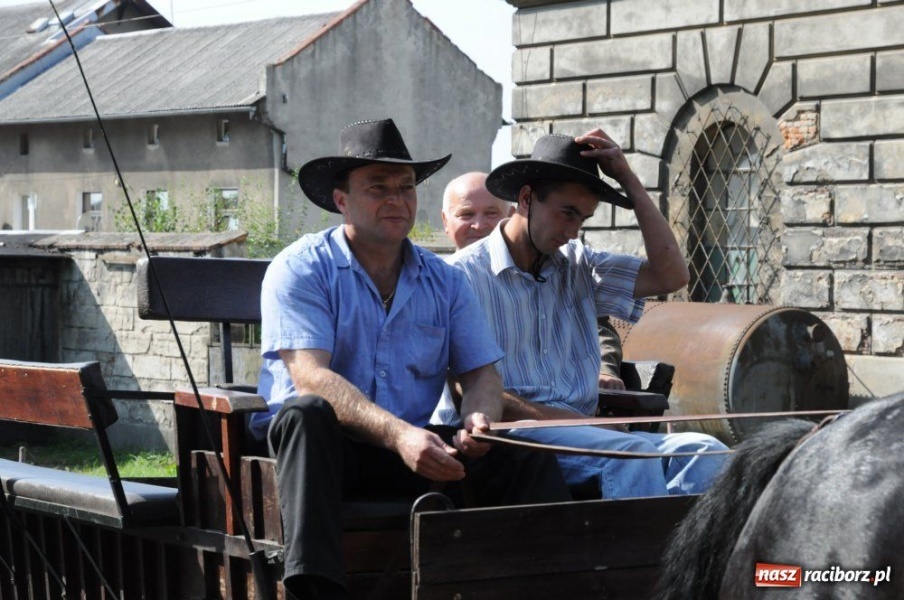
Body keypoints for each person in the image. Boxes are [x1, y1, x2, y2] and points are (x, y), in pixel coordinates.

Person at [250, 119, 570, 600]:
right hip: (319, 455)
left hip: (411, 450)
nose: (397, 199)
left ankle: (544, 580)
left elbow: (482, 372)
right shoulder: (301, 268)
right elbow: (311, 378)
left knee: (521, 452)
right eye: (377, 187)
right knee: (306, 412)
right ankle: (314, 592)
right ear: (342, 201)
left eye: (406, 187)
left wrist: (478, 418)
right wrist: (399, 435)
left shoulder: (445, 281)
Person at [445, 130, 729, 501]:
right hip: (511, 440)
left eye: (583, 218)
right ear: (527, 198)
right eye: (566, 213)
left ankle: (692, 556)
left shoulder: (581, 265)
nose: (572, 230)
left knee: (707, 452)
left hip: (588, 434)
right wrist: (559, 419)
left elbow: (672, 275)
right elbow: (462, 386)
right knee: (630, 456)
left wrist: (628, 181)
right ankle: (635, 557)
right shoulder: (461, 276)